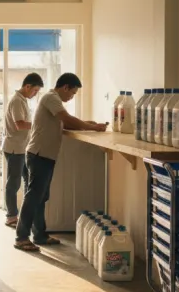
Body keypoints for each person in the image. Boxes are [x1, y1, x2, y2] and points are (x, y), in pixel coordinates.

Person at [14, 73, 108, 252]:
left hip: (44, 155)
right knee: (34, 196)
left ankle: (39, 234)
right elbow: (67, 119)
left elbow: (66, 123)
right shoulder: (51, 97)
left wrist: (89, 124)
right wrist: (93, 127)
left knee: (41, 197)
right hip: (39, 154)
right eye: (72, 93)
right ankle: (21, 237)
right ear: (65, 87)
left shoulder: (53, 101)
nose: (71, 98)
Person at [2, 72, 44, 228]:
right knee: (13, 183)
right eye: (35, 91)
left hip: (21, 147)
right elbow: (20, 124)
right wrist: (38, 125)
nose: (35, 94)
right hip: (14, 148)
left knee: (28, 180)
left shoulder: (22, 100)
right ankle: (11, 216)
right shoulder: (17, 102)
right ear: (27, 86)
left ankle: (26, 214)